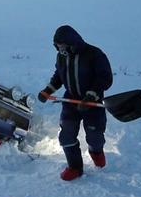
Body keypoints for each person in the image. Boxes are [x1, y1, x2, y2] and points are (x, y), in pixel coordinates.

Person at [38, 25, 113, 181]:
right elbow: (59, 75)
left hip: (93, 103)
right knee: (66, 135)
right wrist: (48, 90)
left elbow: (104, 78)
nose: (60, 49)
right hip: (70, 101)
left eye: (63, 46)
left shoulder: (94, 54)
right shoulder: (61, 56)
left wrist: (90, 97)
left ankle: (96, 152)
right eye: (57, 47)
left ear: (72, 42)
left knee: (95, 136)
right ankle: (75, 167)